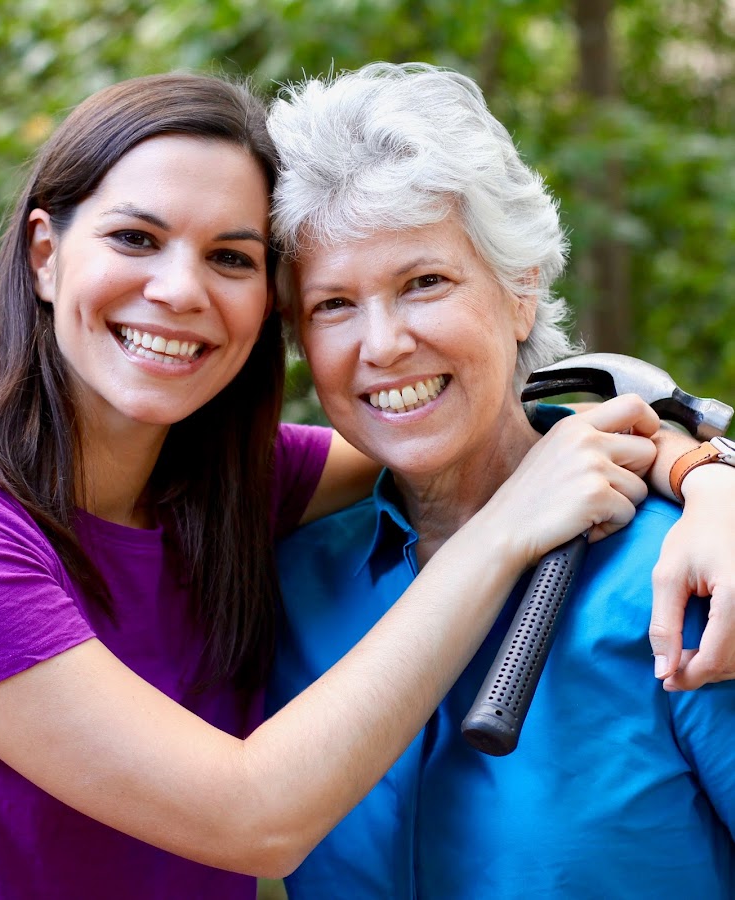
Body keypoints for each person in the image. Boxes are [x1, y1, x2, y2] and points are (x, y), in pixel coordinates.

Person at [0, 71, 668, 899]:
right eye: (135, 238)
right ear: (46, 255)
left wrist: (702, 474)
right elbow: (255, 819)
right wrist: (503, 532)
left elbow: (475, 432)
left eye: (230, 257)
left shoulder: (224, 490)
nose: (178, 290)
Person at [265, 62, 735, 898]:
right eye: (333, 304)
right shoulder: (287, 585)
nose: (382, 345)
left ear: (522, 290)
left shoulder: (686, 576)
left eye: (424, 283)